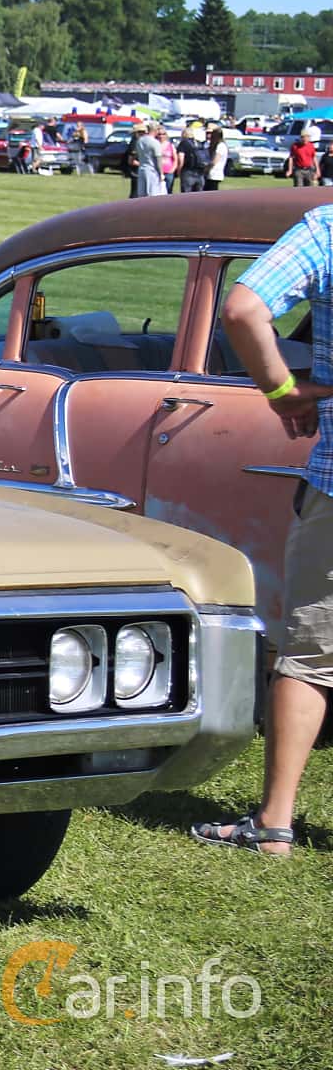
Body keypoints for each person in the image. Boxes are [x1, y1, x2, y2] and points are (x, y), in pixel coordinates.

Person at [191, 209, 333, 856]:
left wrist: (279, 389)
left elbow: (243, 308)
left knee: (309, 656)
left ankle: (275, 823)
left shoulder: (327, 229)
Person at [132, 123, 165, 197]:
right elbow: (158, 159)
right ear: (155, 130)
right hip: (152, 170)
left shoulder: (140, 141)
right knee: (153, 194)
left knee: (142, 194)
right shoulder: (155, 142)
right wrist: (161, 173)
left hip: (142, 168)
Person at [177, 124, 209, 194]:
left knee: (186, 196)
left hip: (188, 171)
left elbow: (181, 159)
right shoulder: (199, 143)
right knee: (198, 196)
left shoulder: (183, 143)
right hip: (200, 172)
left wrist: (179, 170)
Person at [205, 126, 228, 191]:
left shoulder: (221, 146)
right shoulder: (215, 145)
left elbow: (215, 161)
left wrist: (206, 169)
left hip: (214, 174)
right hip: (211, 174)